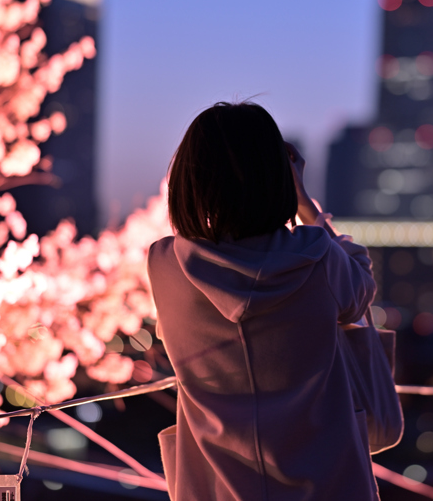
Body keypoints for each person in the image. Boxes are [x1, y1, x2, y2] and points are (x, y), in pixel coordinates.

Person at [146, 102, 380, 500]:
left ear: (187, 179)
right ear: (277, 179)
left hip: (214, 488)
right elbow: (361, 288)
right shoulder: (317, 257)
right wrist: (306, 204)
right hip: (329, 485)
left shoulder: (167, 266)